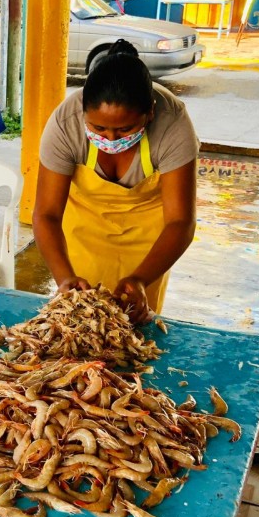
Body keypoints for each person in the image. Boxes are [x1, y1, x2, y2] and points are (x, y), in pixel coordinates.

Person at [33, 39, 198, 323]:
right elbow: (46, 214)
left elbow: (180, 221)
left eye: (125, 129)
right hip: (85, 227)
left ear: (151, 113)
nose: (110, 138)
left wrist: (141, 279)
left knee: (134, 321)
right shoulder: (65, 123)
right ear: (83, 113)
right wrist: (65, 278)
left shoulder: (173, 123)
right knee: (80, 319)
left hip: (149, 235)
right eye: (97, 128)